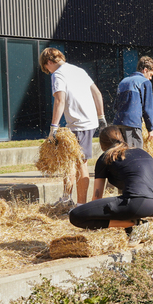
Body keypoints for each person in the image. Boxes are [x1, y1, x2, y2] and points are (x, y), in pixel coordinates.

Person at [68, 126, 153, 245]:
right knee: (124, 202)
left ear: (101, 144)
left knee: (75, 215)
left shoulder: (106, 157)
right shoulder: (141, 152)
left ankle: (133, 223)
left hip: (139, 202)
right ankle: (135, 230)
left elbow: (97, 197)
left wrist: (93, 218)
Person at [38, 47, 106, 206]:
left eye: (46, 68)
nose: (48, 71)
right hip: (84, 122)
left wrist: (53, 128)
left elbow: (60, 101)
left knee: (80, 163)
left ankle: (81, 205)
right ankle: (66, 198)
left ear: (49, 62)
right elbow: (97, 93)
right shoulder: (79, 70)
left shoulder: (58, 74)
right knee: (68, 160)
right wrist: (101, 116)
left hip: (81, 124)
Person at [113, 56, 153, 149]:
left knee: (121, 153)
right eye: (150, 75)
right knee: (135, 155)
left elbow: (115, 107)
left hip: (117, 123)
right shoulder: (145, 82)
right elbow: (147, 108)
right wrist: (150, 129)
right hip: (132, 124)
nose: (150, 78)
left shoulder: (123, 81)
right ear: (145, 70)